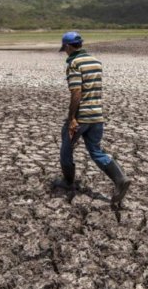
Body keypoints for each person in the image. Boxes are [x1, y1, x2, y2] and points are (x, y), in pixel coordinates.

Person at [53, 31, 130, 207]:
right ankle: (120, 179)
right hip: (97, 116)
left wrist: (72, 118)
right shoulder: (96, 62)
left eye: (64, 48)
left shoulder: (74, 64)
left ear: (68, 46)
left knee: (66, 150)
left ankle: (68, 182)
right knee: (95, 151)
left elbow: (76, 92)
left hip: (82, 117)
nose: (64, 52)